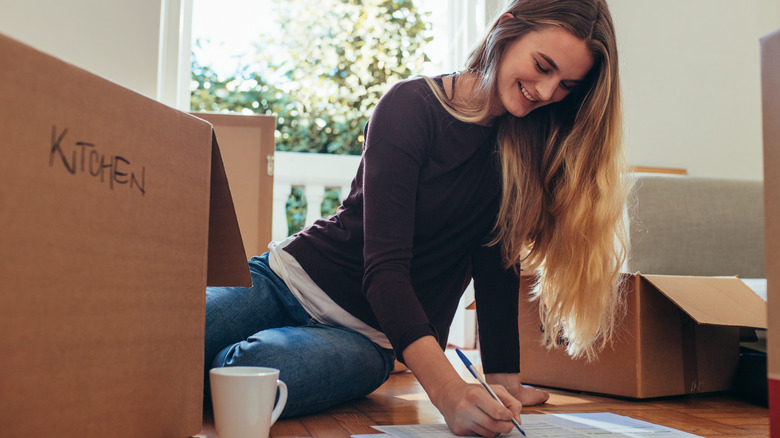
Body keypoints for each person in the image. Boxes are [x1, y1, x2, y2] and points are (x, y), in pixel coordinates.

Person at [204, 0, 629, 436]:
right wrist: (447, 392)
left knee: (248, 369)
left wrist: (504, 381)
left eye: (565, 86)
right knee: (172, 328)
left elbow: (497, 267)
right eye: (543, 66)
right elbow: (385, 272)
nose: (545, 91)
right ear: (507, 28)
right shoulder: (410, 105)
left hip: (368, 341)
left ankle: (197, 367)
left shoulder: (521, 155)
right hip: (284, 280)